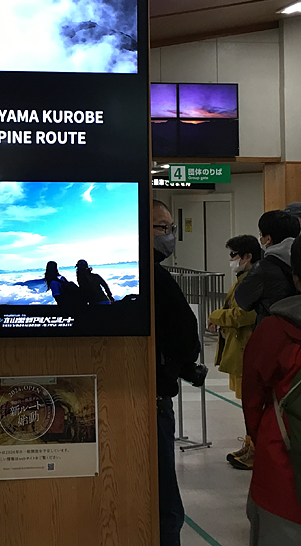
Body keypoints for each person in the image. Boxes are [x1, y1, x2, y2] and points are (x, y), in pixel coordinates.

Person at [242, 233, 301, 545]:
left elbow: (253, 400)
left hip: (282, 474)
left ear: (296, 276)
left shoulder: (274, 330)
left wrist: (256, 435)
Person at [152, 199, 201, 546]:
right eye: (162, 228)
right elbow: (186, 341)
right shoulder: (158, 279)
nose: (169, 236)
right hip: (153, 398)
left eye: (171, 229)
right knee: (163, 495)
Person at [207, 235, 260, 469]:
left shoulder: (250, 281)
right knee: (247, 402)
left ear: (248, 256)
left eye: (233, 255)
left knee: (251, 403)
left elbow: (243, 315)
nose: (230, 260)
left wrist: (215, 316)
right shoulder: (244, 279)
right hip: (239, 347)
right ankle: (250, 443)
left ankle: (254, 449)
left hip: (245, 348)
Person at [235, 210, 299, 325]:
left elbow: (243, 300)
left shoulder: (262, 269)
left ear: (268, 239)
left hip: (275, 329)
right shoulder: (297, 259)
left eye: (261, 235)